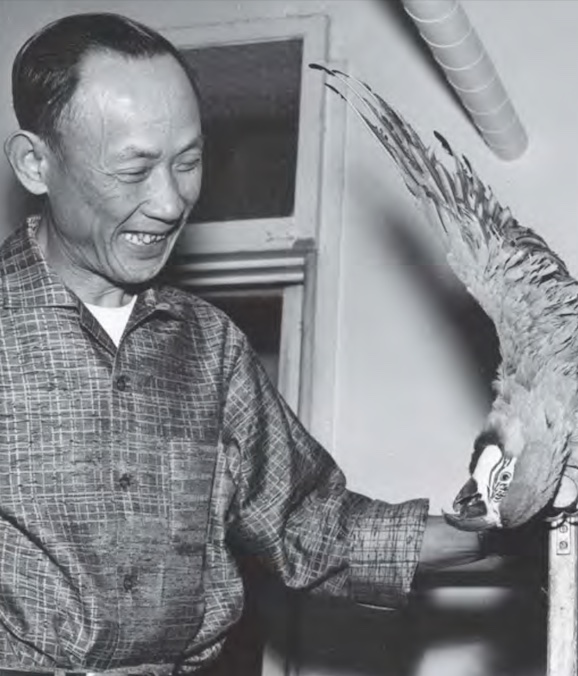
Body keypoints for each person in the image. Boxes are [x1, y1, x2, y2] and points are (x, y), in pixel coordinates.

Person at [0, 12, 487, 675]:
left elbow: (310, 527)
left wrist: (492, 529)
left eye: (188, 161)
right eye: (134, 168)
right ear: (36, 164)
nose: (171, 201)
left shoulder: (210, 349)